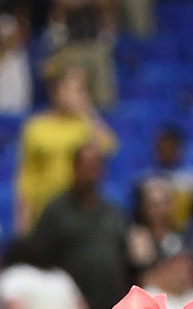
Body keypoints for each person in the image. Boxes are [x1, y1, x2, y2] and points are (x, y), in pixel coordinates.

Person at [26, 140, 129, 309]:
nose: (91, 172)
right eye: (86, 165)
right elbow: (38, 259)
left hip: (110, 306)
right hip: (69, 307)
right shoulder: (55, 210)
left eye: (95, 166)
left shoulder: (113, 212)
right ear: (74, 168)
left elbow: (123, 257)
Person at [14, 64, 116, 235]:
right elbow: (26, 179)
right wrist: (23, 224)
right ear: (55, 91)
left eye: (81, 90)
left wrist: (87, 111)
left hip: (79, 211)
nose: (76, 95)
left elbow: (109, 147)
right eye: (72, 89)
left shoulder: (84, 125)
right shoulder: (35, 127)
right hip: (44, 211)